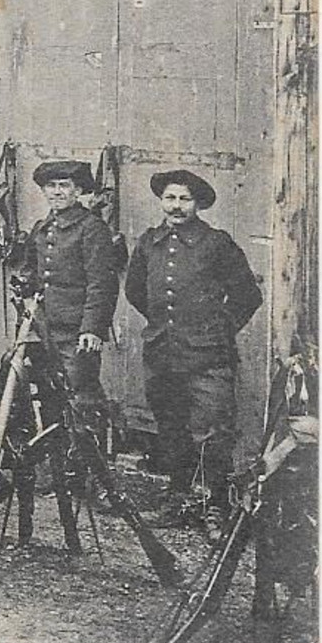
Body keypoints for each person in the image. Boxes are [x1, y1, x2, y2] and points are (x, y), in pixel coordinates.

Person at [125, 169, 263, 531]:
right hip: (162, 354)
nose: (176, 206)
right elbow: (136, 292)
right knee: (171, 428)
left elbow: (249, 295)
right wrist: (165, 326)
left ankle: (217, 504)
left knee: (213, 432)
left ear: (197, 204)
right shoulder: (148, 242)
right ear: (161, 201)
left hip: (208, 358)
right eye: (170, 198)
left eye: (184, 199)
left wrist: (217, 329)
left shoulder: (216, 243)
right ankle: (177, 498)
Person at [16, 160, 125, 405]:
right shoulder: (43, 227)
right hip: (43, 327)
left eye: (64, 186)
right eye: (50, 186)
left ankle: (90, 443)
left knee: (79, 394)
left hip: (76, 332)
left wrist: (92, 329)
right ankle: (55, 444)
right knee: (48, 393)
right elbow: (31, 271)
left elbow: (102, 284)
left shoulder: (91, 229)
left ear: (78, 191)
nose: (56, 192)